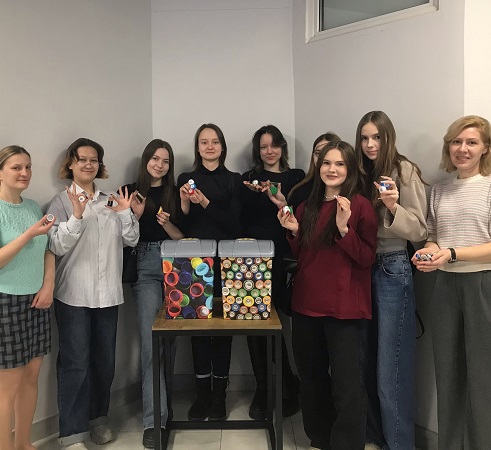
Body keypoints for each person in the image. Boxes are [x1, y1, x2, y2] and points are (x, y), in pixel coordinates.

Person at [278, 140, 378, 450]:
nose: (331, 169)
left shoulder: (360, 205)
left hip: (344, 308)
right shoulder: (305, 207)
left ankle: (346, 444)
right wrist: (294, 231)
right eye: (326, 163)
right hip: (306, 305)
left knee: (347, 386)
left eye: (339, 164)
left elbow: (367, 258)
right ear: (318, 166)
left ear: (350, 169)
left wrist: (344, 229)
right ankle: (320, 439)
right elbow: (306, 255)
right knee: (311, 379)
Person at [47, 138, 139, 450]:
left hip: (108, 294)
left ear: (100, 165)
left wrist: (125, 213)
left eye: (94, 160)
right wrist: (76, 216)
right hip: (73, 294)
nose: (88, 164)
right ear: (71, 164)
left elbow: (131, 239)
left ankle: (98, 419)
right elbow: (55, 245)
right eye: (82, 159)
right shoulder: (60, 202)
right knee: (75, 363)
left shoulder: (111, 201)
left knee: (104, 361)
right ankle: (72, 433)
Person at [413, 115, 491, 450]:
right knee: (447, 373)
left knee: (482, 375)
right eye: (456, 142)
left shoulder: (489, 186)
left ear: (485, 148)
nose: (462, 148)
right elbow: (434, 237)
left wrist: (454, 253)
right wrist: (428, 253)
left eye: (471, 142)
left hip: (482, 286)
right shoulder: (440, 189)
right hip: (444, 287)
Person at [354, 111, 427, 450]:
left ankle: (399, 445)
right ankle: (376, 438)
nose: (370, 144)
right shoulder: (358, 172)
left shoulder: (404, 170)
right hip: (360, 267)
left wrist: (394, 206)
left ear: (388, 137)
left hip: (392, 267)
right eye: (364, 138)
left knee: (391, 367)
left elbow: (420, 230)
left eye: (377, 137)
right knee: (364, 361)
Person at [177, 123, 242, 421]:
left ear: (222, 146)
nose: (210, 146)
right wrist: (184, 202)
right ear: (197, 147)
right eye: (204, 142)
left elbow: (234, 225)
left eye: (215, 141)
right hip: (194, 262)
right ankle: (202, 394)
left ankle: (219, 395)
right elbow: (183, 226)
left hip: (227, 262)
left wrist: (204, 202)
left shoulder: (234, 180)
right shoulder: (186, 179)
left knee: (223, 330)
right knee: (198, 329)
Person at [241, 124, 304, 419]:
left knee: (276, 323)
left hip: (283, 259)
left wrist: (281, 200)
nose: (269, 151)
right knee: (252, 323)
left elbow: (302, 217)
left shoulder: (296, 177)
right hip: (250, 260)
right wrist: (252, 194)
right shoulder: (247, 180)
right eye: (264, 146)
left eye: (274, 145)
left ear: (282, 147)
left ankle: (288, 384)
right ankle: (264, 386)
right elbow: (241, 220)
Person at [123, 139, 183, 449]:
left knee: (170, 343)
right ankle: (154, 422)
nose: (159, 165)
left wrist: (168, 224)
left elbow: (184, 237)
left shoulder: (176, 192)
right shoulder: (129, 191)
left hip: (175, 264)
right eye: (155, 158)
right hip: (145, 265)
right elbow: (123, 237)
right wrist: (134, 215)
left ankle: (165, 410)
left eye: (165, 160)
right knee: (150, 343)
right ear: (146, 159)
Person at [0, 145, 55, 450]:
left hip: (37, 300)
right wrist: (27, 235)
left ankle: (24, 443)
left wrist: (48, 285)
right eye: (16, 167)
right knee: (8, 384)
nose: (24, 173)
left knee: (32, 375)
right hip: (6, 301)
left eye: (28, 167)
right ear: (1, 172)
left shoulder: (33, 207)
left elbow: (48, 250)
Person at [288, 132, 341, 212]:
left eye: (327, 152)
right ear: (313, 156)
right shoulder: (300, 191)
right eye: (319, 153)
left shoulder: (354, 194)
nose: (322, 158)